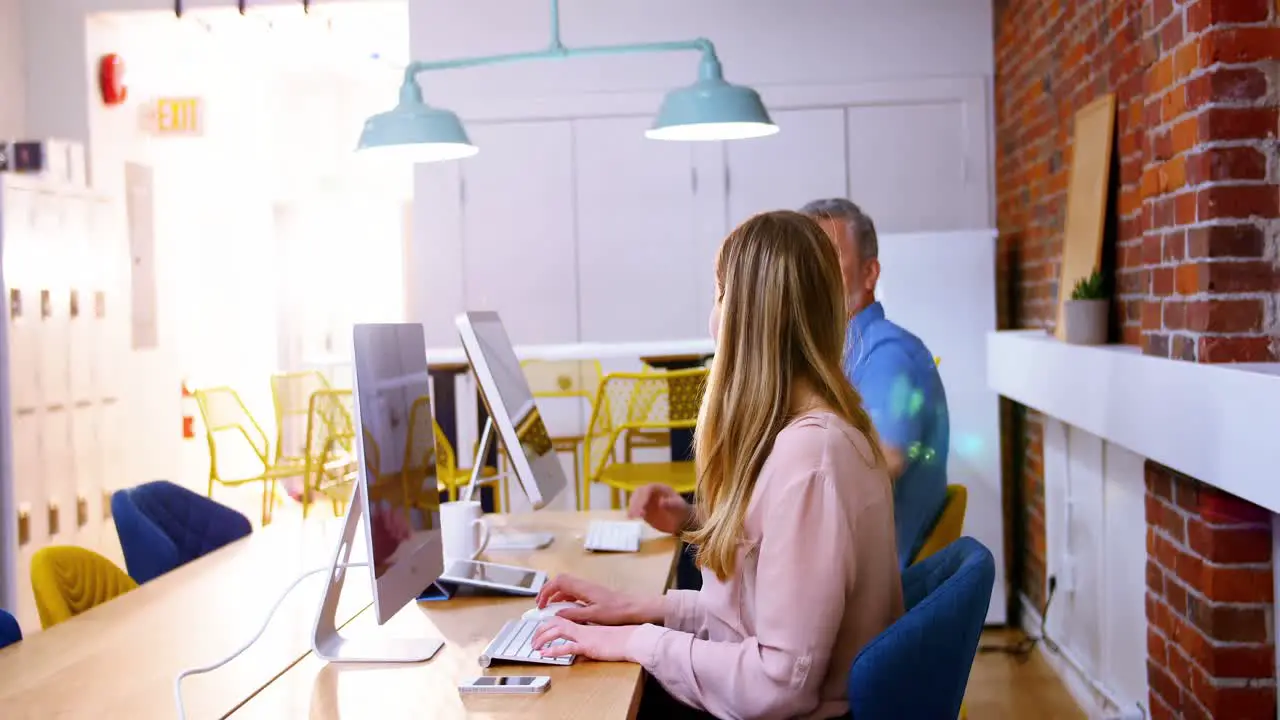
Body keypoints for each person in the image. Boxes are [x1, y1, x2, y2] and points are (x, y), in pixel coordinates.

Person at [530, 211, 903, 720]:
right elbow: (750, 617)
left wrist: (640, 642)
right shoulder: (821, 433)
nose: (712, 317)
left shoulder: (809, 457)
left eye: (718, 295)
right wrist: (633, 609)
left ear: (745, 315)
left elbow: (779, 683)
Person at [633, 198, 949, 570]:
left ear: (869, 273)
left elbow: (869, 468)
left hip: (866, 579)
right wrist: (693, 516)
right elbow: (787, 509)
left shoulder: (887, 356)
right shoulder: (825, 369)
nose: (809, 278)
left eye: (825, 262)